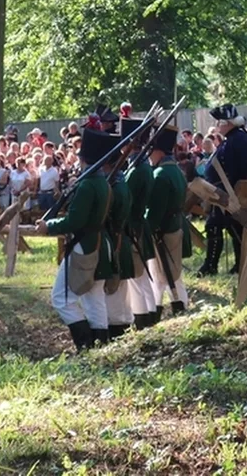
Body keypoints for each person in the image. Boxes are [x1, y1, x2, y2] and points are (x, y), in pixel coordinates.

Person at [36, 127, 113, 352]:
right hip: (98, 242)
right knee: (94, 297)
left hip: (84, 244)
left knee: (60, 298)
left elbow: (75, 221)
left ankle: (86, 343)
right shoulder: (101, 182)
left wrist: (48, 226)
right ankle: (101, 345)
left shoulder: (88, 184)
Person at [200, 104, 247, 276]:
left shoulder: (237, 139)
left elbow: (233, 170)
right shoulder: (234, 138)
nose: (218, 126)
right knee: (229, 227)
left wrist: (225, 193)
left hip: (230, 192)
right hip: (225, 190)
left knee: (218, 226)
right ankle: (232, 264)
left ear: (229, 123)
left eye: (220, 123)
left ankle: (213, 265)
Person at [145, 123, 188, 317]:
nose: (149, 156)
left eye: (151, 151)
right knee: (172, 271)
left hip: (163, 229)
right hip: (175, 225)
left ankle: (158, 309)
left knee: (161, 273)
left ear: (159, 152)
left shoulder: (160, 175)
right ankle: (179, 306)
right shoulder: (176, 171)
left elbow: (155, 211)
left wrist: (145, 229)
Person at [120, 116, 157, 328]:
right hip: (136, 223)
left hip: (132, 225)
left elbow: (127, 199)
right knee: (140, 277)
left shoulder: (137, 170)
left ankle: (144, 318)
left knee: (137, 276)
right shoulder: (139, 165)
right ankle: (148, 315)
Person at [102, 132, 135, 339]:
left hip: (116, 240)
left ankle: (117, 330)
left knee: (115, 291)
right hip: (117, 238)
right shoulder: (116, 184)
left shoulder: (117, 187)